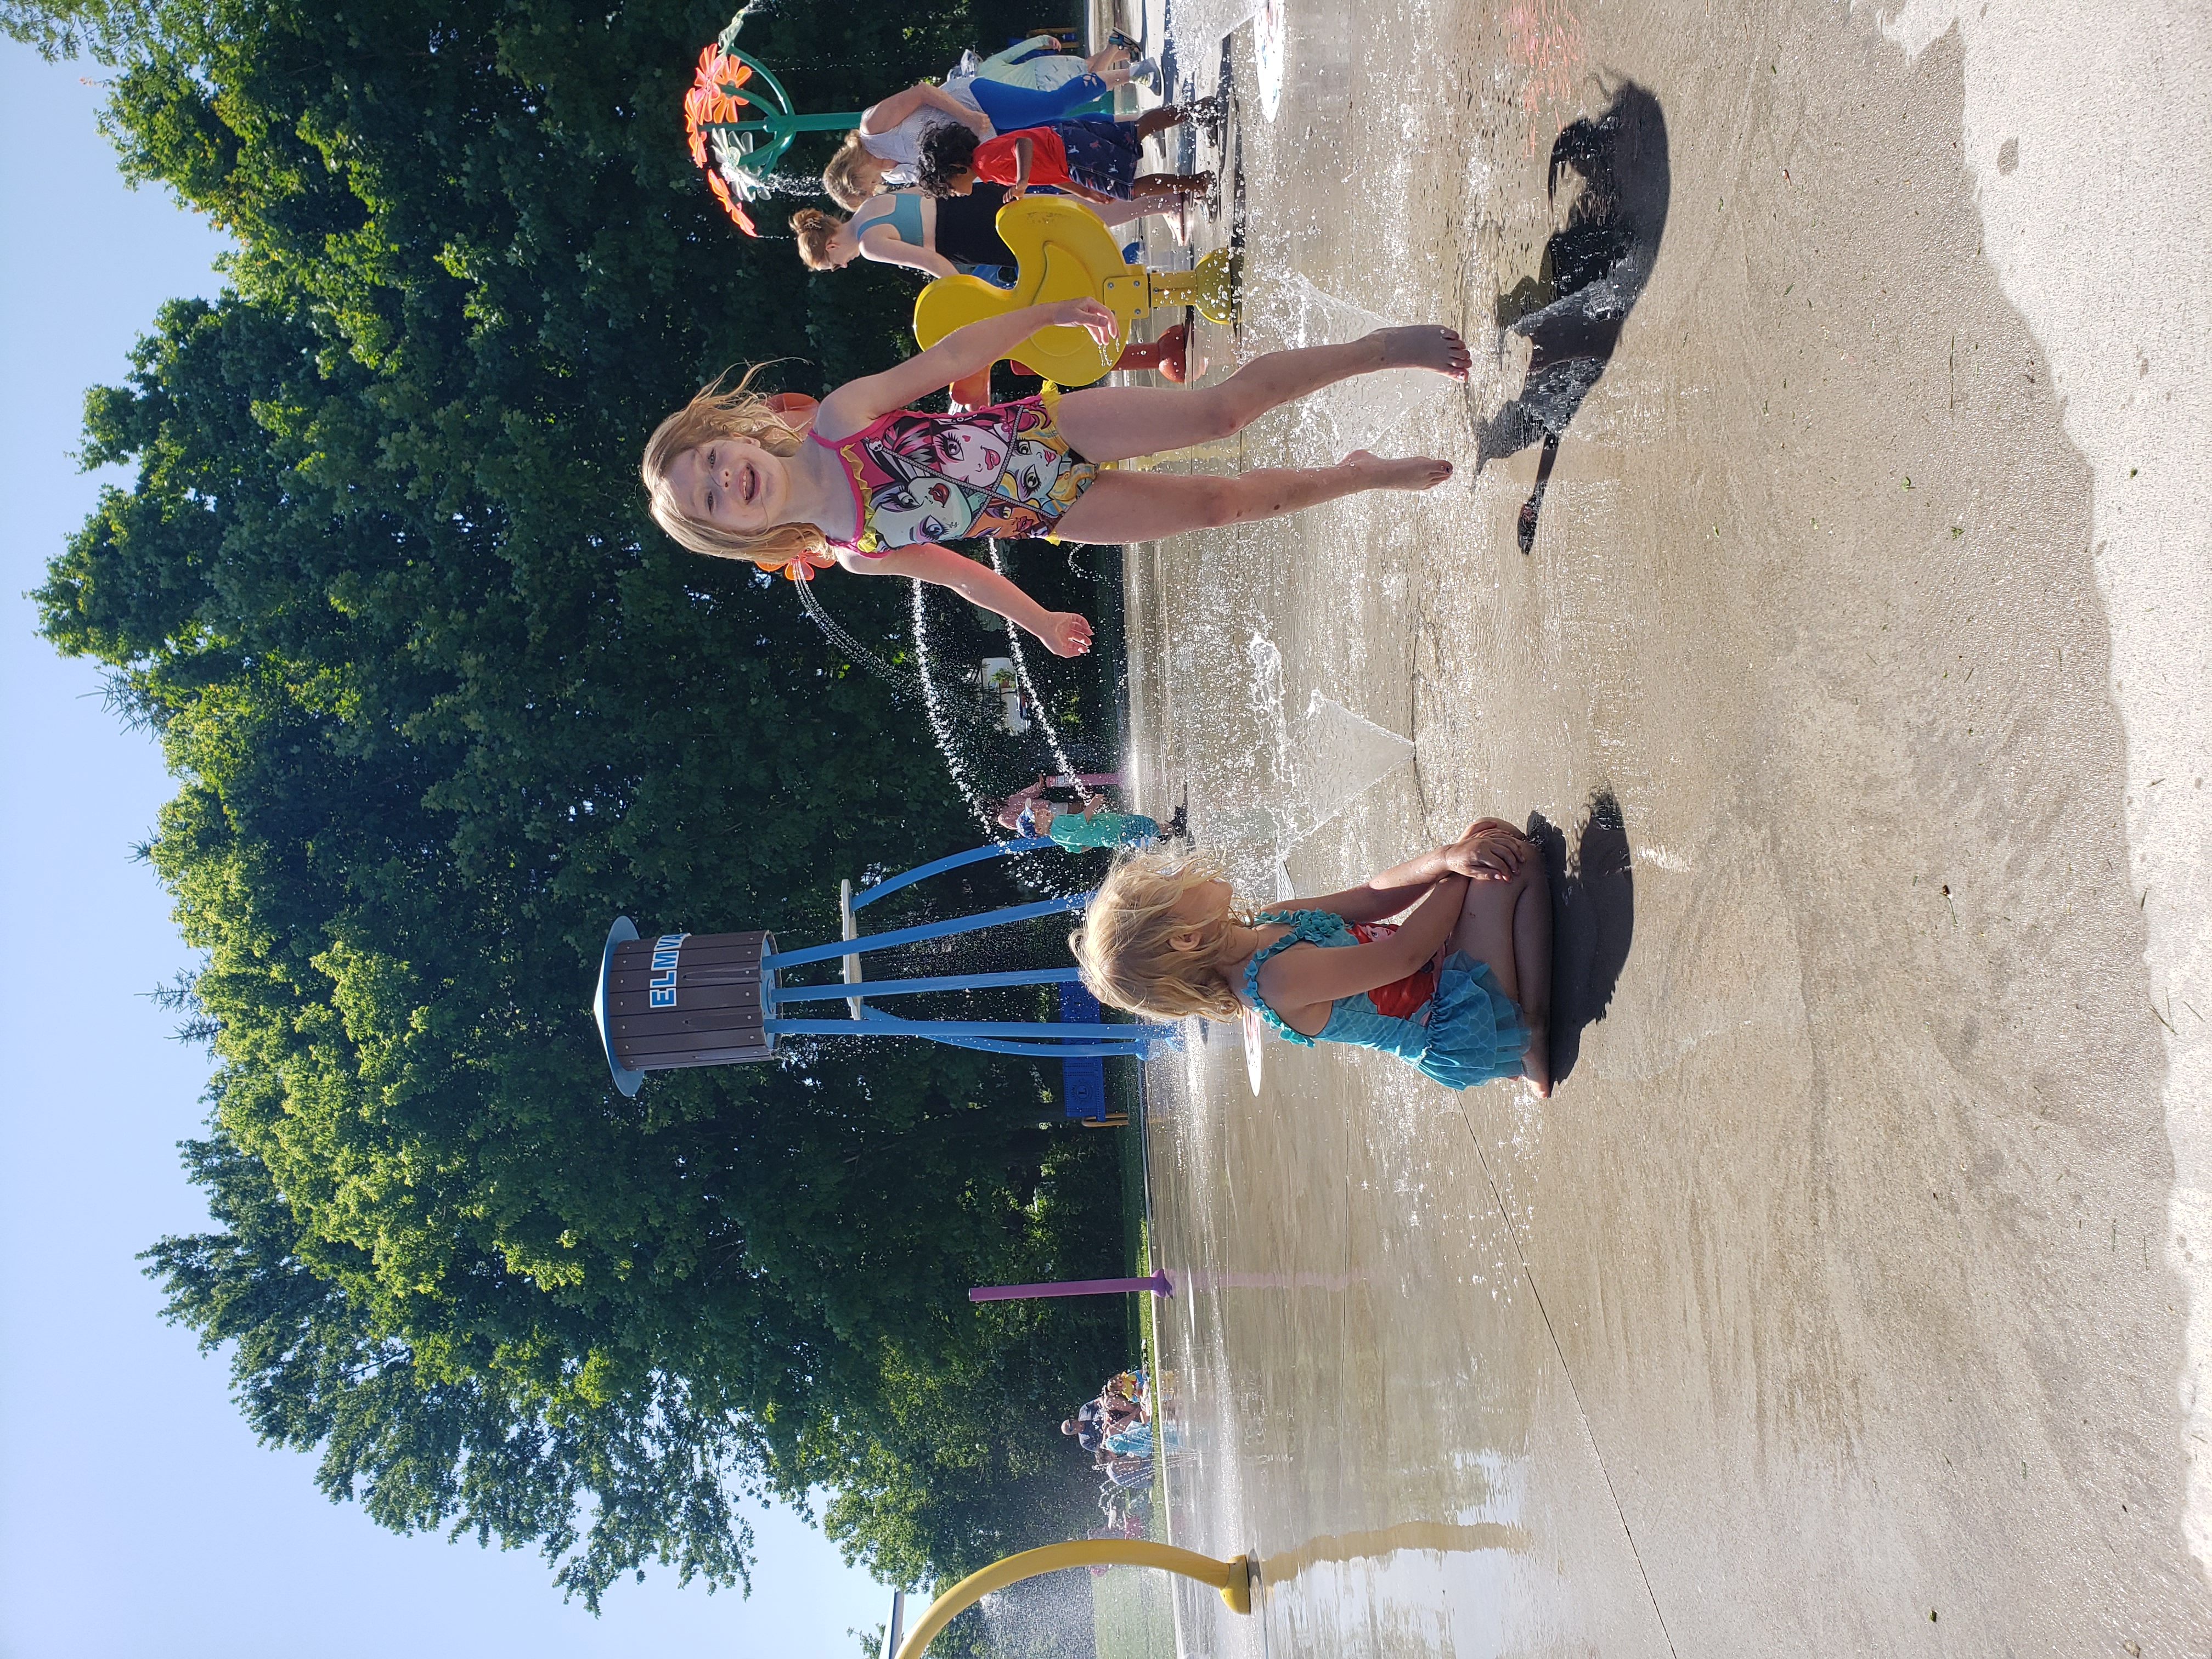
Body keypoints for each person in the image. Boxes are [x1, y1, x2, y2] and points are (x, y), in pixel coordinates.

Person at [640, 309, 1471, 656]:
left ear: (731, 435)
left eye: (711, 460)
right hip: (1052, 512)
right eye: (711, 500)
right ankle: (1357, 478)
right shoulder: (859, 550)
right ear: (740, 538)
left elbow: (951, 360)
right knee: (1223, 506)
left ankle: (1376, 351)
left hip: (1048, 429)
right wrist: (1036, 620)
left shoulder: (839, 420)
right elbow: (961, 576)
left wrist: (1043, 313)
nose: (726, 480)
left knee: (1221, 415)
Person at [1068, 821, 1556, 1095]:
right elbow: (1405, 954)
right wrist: (1458, 874)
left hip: (1440, 967)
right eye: (1175, 884)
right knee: (1513, 861)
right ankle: (1527, 1031)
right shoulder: (1278, 980)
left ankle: (1519, 1033)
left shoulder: (1266, 925)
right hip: (1457, 1021)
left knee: (1488, 841)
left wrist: (1446, 857)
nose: (1184, 869)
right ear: (1186, 939)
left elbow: (1371, 897)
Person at [824, 37, 1160, 208]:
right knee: (1060, 129)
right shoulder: (894, 174)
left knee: (1052, 103)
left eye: (865, 190)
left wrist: (967, 116)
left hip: (973, 101)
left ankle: (1133, 74)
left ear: (854, 175)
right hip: (989, 140)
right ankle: (1136, 127)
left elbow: (923, 92)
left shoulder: (873, 127)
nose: (874, 192)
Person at [920, 118, 1210, 205]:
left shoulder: (984, 163)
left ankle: (1197, 183)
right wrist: (1083, 191)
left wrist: (1020, 184)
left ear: (957, 168)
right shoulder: (988, 168)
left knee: (1129, 189)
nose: (954, 194)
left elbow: (1024, 145)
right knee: (1133, 133)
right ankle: (1197, 111)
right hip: (1065, 138)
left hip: (1070, 155)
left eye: (949, 188)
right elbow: (1046, 175)